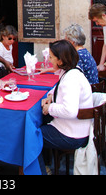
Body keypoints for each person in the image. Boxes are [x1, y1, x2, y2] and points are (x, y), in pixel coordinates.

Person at [40, 40, 93, 174]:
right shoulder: (72, 72)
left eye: (51, 57)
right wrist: (50, 95)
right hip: (76, 128)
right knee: (39, 124)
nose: (49, 60)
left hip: (73, 135)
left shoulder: (71, 80)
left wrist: (49, 108)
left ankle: (40, 170)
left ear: (60, 61)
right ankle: (45, 165)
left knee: (32, 135)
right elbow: (57, 87)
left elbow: (70, 111)